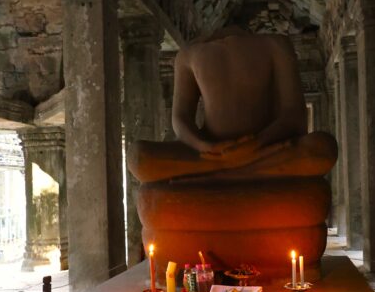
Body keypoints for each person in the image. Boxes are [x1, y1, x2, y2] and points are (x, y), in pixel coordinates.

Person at [127, 27, 337, 184]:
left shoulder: (276, 45)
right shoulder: (187, 56)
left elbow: (294, 115)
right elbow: (181, 120)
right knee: (138, 157)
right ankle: (230, 166)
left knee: (322, 147)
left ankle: (219, 169)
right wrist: (205, 147)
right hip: (217, 155)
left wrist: (257, 143)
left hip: (264, 150)